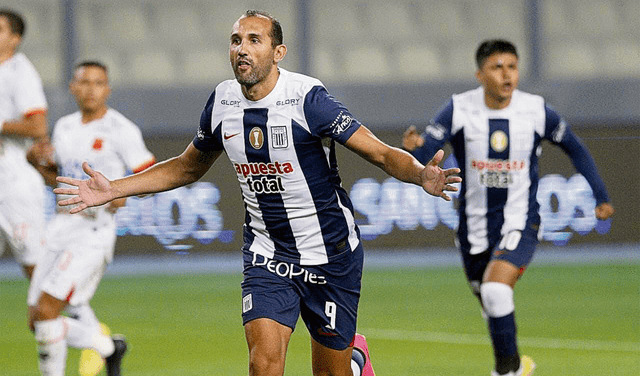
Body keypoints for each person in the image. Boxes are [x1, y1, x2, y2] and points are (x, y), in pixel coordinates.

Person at [54, 10, 461, 376]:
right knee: (263, 365)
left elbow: (379, 151)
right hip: (268, 253)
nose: (242, 49)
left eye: (254, 40)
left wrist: (420, 174)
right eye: (236, 41)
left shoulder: (308, 99)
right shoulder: (221, 102)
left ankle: (353, 360)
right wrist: (113, 189)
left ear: (278, 51)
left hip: (331, 253)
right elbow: (185, 167)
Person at [402, 39, 615, 376]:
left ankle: (506, 372)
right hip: (472, 226)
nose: (506, 74)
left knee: (496, 289)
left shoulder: (536, 110)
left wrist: (600, 196)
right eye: (497, 67)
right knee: (490, 302)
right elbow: (429, 152)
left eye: (512, 67)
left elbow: (575, 147)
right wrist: (416, 149)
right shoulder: (458, 108)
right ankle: (518, 366)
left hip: (520, 221)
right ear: (479, 74)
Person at [26, 61, 156, 376]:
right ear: (72, 87)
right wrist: (39, 165)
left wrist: (116, 195)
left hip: (93, 231)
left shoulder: (121, 129)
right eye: (84, 82)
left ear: (107, 89)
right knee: (36, 320)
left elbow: (150, 179)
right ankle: (110, 348)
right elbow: (62, 180)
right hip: (61, 226)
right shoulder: (65, 126)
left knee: (46, 313)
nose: (90, 89)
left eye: (98, 83)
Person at [0, 8, 48, 280]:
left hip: (12, 177)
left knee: (34, 263)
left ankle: (75, 321)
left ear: (15, 38)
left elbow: (37, 125)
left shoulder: (20, 71)